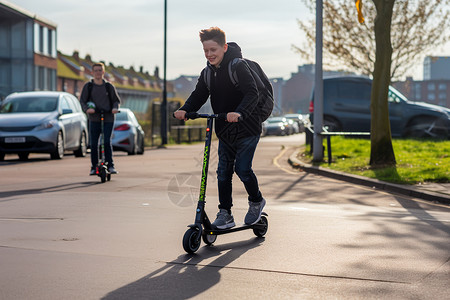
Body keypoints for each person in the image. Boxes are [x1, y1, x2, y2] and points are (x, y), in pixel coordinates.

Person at [174, 27, 265, 229]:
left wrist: (240, 112)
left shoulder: (238, 66)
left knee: (242, 169)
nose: (209, 54)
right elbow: (198, 95)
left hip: (247, 128)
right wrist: (185, 110)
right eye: (205, 51)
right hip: (224, 130)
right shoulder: (207, 73)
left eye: (213, 49)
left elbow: (252, 94)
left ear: (224, 47)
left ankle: (256, 201)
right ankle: (225, 214)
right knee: (223, 172)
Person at [80, 62, 120, 175]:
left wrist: (115, 108)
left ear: (103, 72)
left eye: (100, 70)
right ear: (92, 72)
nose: (98, 72)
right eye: (96, 70)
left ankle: (110, 165)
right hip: (94, 118)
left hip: (108, 117)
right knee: (94, 143)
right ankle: (94, 167)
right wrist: (87, 109)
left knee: (106, 141)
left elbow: (116, 101)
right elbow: (82, 101)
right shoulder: (88, 86)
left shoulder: (109, 86)